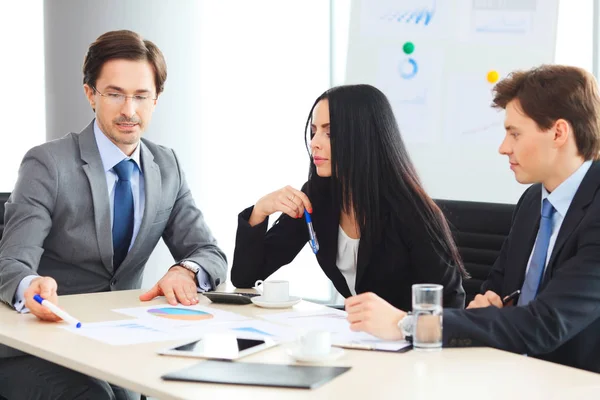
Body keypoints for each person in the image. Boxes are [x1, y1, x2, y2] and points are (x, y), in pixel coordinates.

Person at [0, 30, 227, 399]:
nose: (129, 111)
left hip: (118, 344)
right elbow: (10, 262)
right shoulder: (48, 164)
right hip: (41, 345)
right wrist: (31, 287)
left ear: (156, 99)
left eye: (141, 96)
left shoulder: (166, 166)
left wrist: (184, 270)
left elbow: (210, 254)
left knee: (187, 381)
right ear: (91, 94)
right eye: (115, 94)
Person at [345, 65, 600, 374]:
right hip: (510, 373)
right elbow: (494, 289)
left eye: (514, 133)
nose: (503, 148)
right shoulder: (534, 200)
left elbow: (546, 323)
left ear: (559, 132)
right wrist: (490, 306)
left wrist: (408, 324)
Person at [231, 84, 466, 310]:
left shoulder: (412, 211)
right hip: (355, 337)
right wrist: (260, 211)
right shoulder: (317, 196)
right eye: (314, 132)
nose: (314, 143)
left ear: (363, 137)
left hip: (404, 342)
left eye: (329, 133)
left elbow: (450, 307)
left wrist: (400, 326)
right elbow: (245, 277)